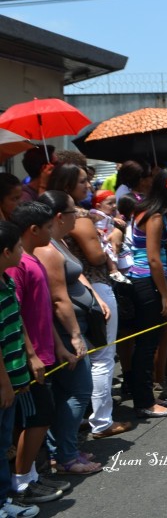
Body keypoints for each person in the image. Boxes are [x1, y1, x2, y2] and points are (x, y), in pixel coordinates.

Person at [33, 190, 106, 475]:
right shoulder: (47, 248)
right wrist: (75, 336)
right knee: (78, 391)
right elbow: (58, 299)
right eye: (74, 211)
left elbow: (76, 275)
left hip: (76, 325)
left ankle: (65, 448)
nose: (79, 215)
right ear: (59, 216)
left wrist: (93, 295)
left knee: (69, 392)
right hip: (65, 331)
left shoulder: (58, 241)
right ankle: (66, 455)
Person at [7, 202, 66, 506]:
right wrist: (31, 355)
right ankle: (20, 483)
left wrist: (57, 345)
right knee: (36, 418)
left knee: (40, 417)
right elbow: (14, 314)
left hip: (45, 353)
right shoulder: (17, 266)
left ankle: (30, 475)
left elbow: (42, 310)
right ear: (33, 230)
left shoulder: (31, 258)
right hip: (27, 359)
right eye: (47, 228)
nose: (51, 232)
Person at [124, 170, 167, 418]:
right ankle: (145, 401)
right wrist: (165, 295)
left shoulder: (144, 210)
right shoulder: (155, 217)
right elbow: (153, 259)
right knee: (147, 345)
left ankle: (146, 396)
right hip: (147, 282)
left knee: (146, 344)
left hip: (145, 281)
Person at [0, 220, 44, 518]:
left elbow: (16, 322)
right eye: (18, 247)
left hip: (15, 379)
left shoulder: (7, 280)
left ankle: (4, 499)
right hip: (3, 384)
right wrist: (4, 384)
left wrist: (30, 355)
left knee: (4, 443)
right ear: (6, 252)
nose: (21, 252)